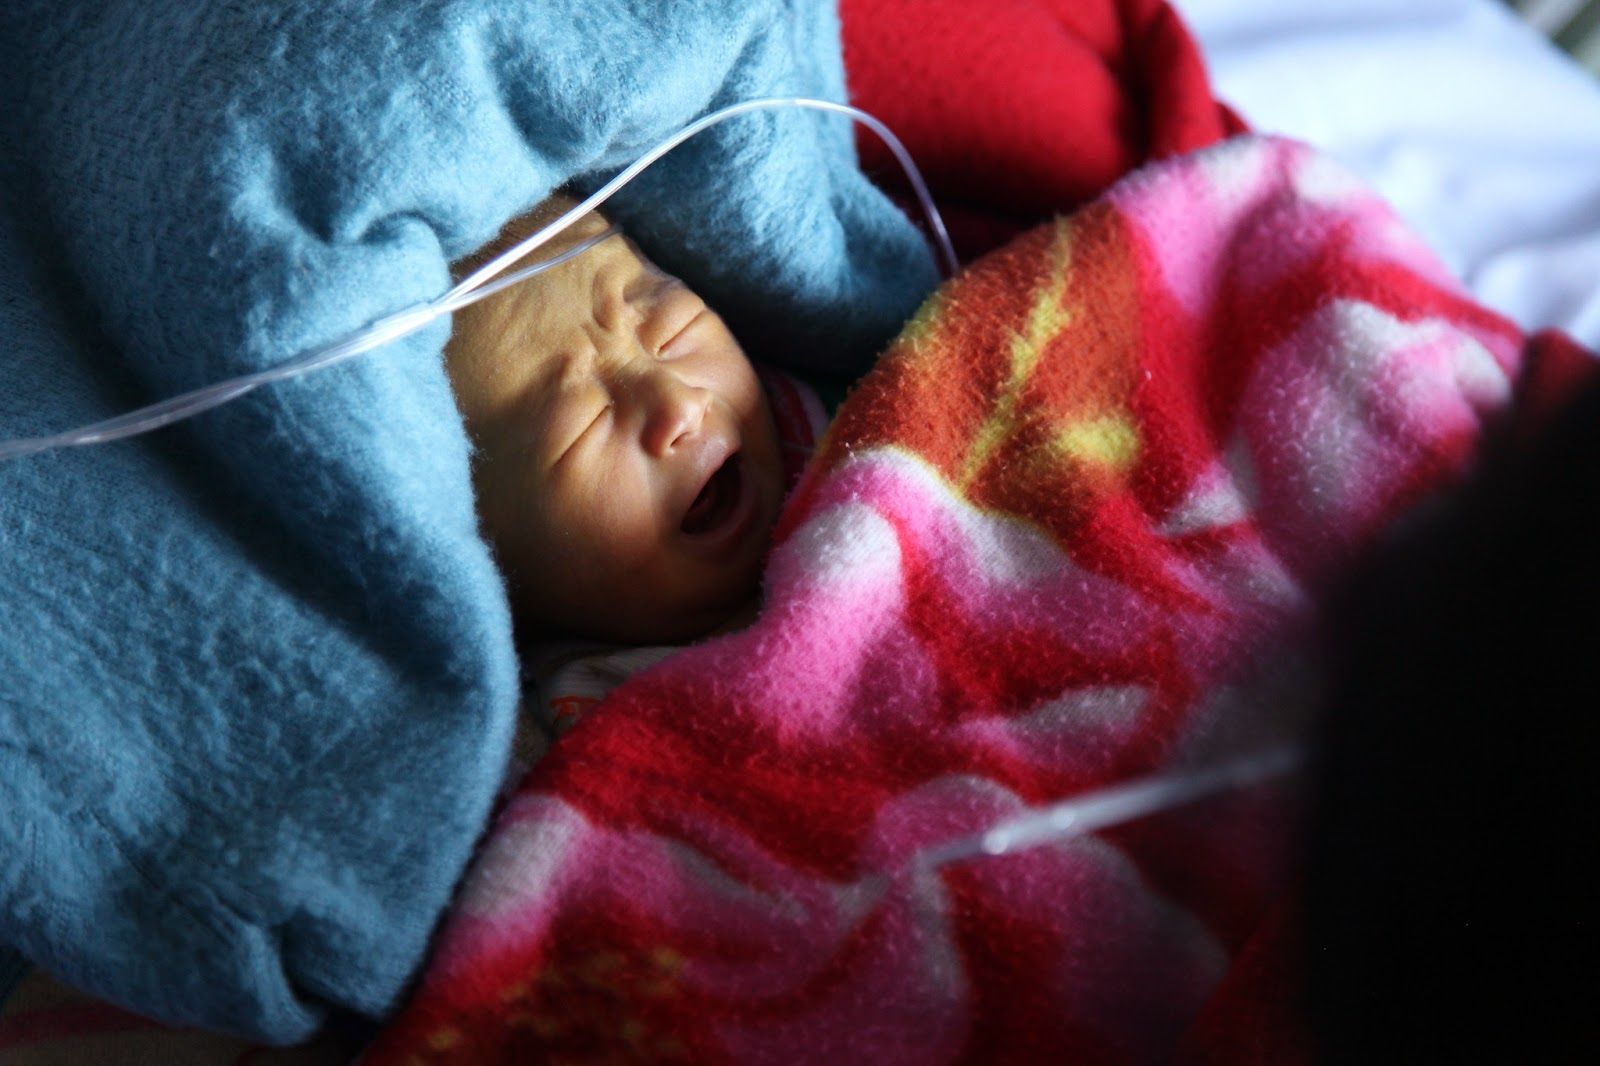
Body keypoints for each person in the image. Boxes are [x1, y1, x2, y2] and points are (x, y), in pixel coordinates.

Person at [445, 195, 817, 647]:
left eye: (673, 331)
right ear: (496, 566)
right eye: (583, 425)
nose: (678, 405)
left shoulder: (859, 402)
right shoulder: (580, 705)